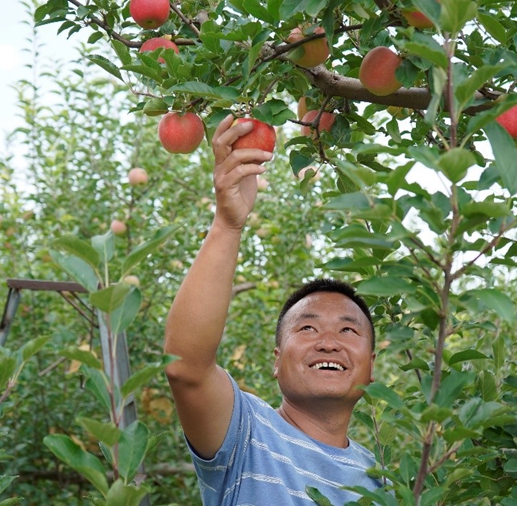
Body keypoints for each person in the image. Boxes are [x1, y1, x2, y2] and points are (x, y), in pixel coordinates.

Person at [164, 114, 383, 505]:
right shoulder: (245, 432)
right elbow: (186, 367)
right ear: (277, 361)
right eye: (308, 329)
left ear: (371, 364)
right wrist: (228, 224)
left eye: (348, 330)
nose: (329, 343)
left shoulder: (383, 484)